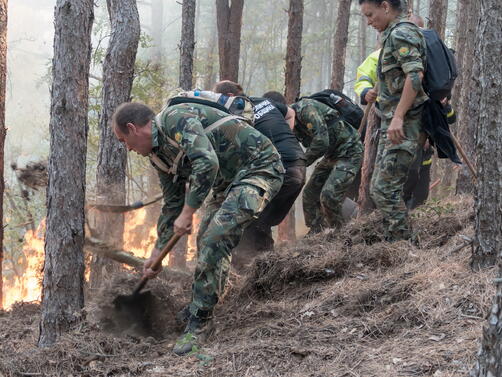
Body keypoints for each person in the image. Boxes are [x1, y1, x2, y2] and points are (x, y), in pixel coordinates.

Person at [112, 101, 284, 355]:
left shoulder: (175, 118)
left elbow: (207, 162)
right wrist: (158, 253)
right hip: (227, 183)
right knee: (206, 239)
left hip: (260, 167)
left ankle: (200, 323)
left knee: (217, 235)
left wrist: (188, 212)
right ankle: (206, 302)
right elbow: (172, 205)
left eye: (123, 140)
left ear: (132, 128)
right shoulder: (158, 158)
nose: (126, 148)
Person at [359, 0, 428, 242]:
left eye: (370, 14)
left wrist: (398, 116)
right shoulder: (392, 35)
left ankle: (406, 248)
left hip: (404, 125)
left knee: (383, 189)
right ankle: (393, 242)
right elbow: (396, 74)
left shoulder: (402, 33)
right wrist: (379, 90)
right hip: (392, 124)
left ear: (385, 6)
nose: (368, 21)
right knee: (382, 187)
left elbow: (415, 74)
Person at [213, 81, 306, 251]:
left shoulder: (237, 113)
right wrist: (285, 136)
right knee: (261, 220)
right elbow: (290, 113)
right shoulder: (263, 101)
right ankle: (263, 265)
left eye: (219, 99)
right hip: (299, 165)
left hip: (280, 169)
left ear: (230, 97)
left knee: (249, 217)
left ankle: (249, 266)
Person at [291, 97, 363, 234]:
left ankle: (339, 234)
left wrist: (301, 162)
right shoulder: (289, 123)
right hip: (332, 155)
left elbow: (321, 142)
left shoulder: (305, 109)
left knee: (329, 196)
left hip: (349, 150)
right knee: (309, 194)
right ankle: (316, 232)